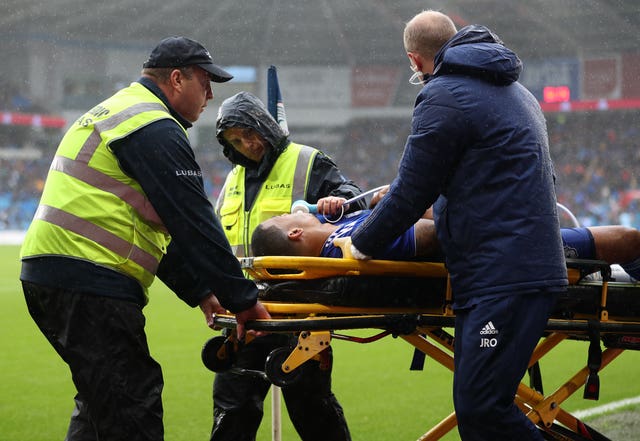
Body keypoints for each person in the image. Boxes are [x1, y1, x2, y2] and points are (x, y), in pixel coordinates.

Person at [19, 36, 270, 441]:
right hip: (91, 281)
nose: (209, 95)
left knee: (102, 409)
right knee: (132, 409)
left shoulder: (121, 113)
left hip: (57, 274)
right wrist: (244, 300)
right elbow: (193, 221)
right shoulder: (152, 125)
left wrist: (202, 290)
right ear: (175, 79)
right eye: (204, 83)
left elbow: (152, 225)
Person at [348, 11, 569, 440]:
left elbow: (412, 192)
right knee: (480, 411)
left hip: (502, 275)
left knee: (482, 409)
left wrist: (361, 244)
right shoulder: (516, 91)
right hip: (511, 267)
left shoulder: (444, 95)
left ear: (415, 60)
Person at [211, 91, 362, 441]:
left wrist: (335, 202)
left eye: (248, 133)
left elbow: (353, 199)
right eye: (234, 140)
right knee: (231, 412)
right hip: (245, 311)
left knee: (312, 410)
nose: (246, 144)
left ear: (263, 126)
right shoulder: (232, 181)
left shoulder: (307, 161)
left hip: (299, 313)